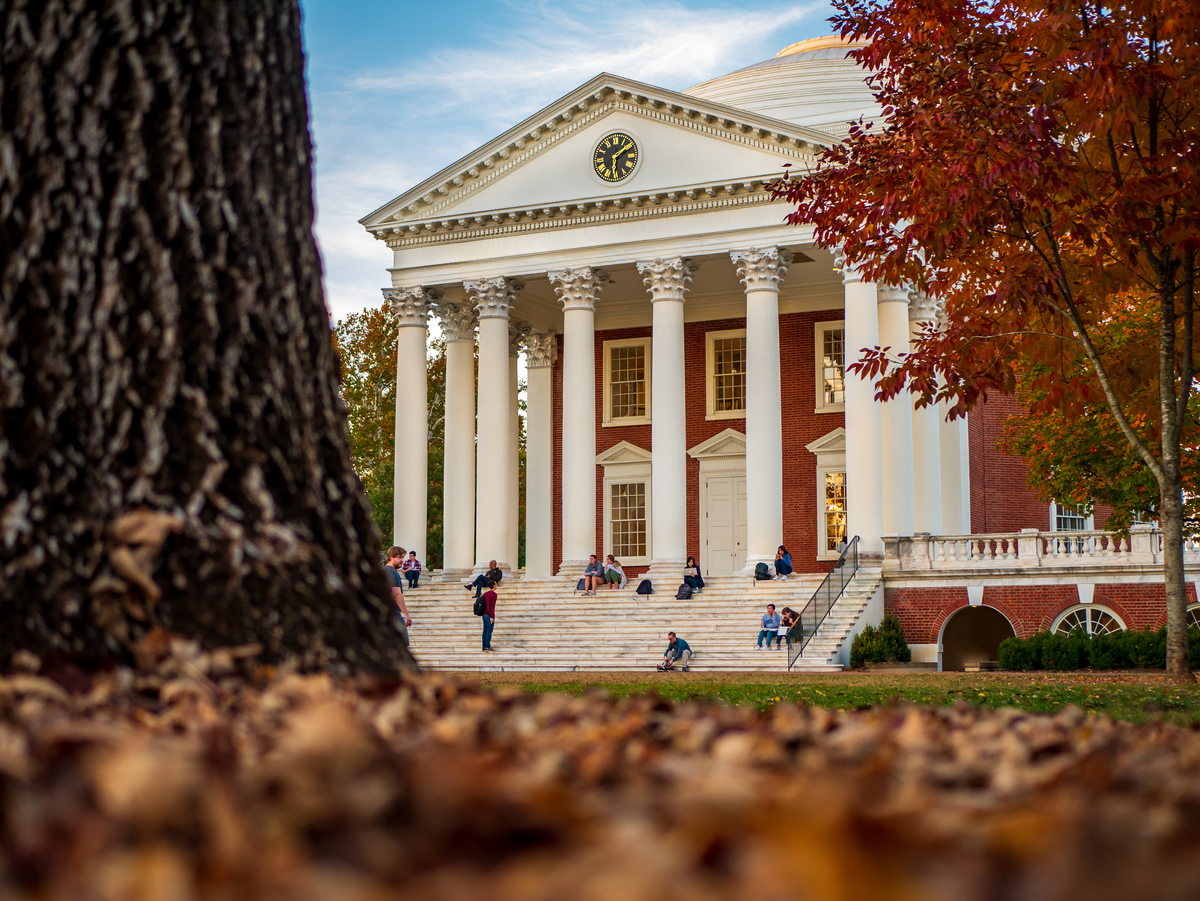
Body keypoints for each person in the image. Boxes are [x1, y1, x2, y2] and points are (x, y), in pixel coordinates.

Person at [384, 546, 412, 646]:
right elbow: (396, 594)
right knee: (402, 646)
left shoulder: (384, 571)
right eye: (399, 557)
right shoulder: (392, 572)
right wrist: (406, 614)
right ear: (391, 557)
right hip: (394, 615)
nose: (402, 560)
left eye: (403, 557)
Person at [480, 579, 498, 652]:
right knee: (489, 631)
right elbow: (492, 606)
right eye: (496, 584)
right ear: (493, 586)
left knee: (485, 630)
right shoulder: (494, 594)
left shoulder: (486, 594)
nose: (496, 585)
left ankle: (484, 646)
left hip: (484, 614)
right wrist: (492, 617)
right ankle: (487, 646)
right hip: (489, 615)